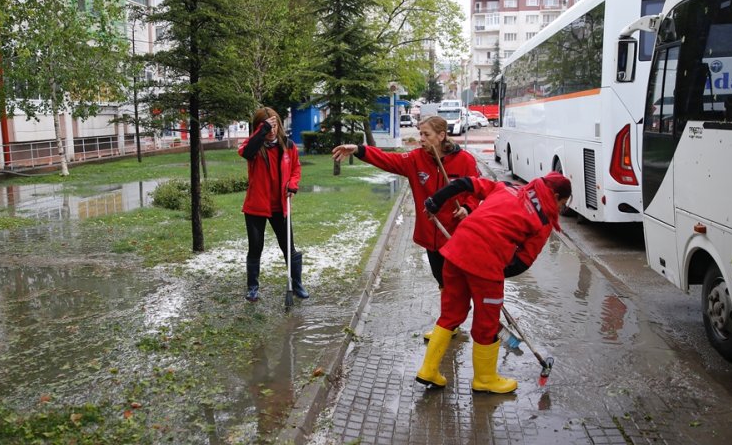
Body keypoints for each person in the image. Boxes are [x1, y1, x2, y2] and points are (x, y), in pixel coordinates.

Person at [418, 172, 572, 394]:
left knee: (451, 314)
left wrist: (436, 201)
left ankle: (428, 370)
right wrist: (490, 277)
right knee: (486, 324)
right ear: (556, 196)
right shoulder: (544, 220)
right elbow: (522, 262)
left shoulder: (508, 187)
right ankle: (485, 379)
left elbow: (465, 183)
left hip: (456, 252)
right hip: (486, 265)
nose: (560, 209)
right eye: (562, 204)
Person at [331, 116, 479, 338]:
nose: (421, 139)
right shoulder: (416, 159)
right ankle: (452, 321)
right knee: (442, 281)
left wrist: (467, 207)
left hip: (456, 235)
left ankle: (450, 322)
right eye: (420, 134)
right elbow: (387, 160)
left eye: (426, 135)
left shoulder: (464, 160)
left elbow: (478, 191)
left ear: (441, 136)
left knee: (455, 282)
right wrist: (359, 150)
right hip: (432, 235)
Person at [238, 107, 308, 302]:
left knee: (289, 247)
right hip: (256, 207)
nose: (272, 130)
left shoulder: (288, 145)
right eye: (267, 126)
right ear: (259, 127)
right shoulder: (253, 147)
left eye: (275, 125)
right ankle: (252, 287)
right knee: (255, 247)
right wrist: (261, 131)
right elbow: (245, 152)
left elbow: (295, 168)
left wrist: (292, 185)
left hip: (280, 205)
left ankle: (297, 284)